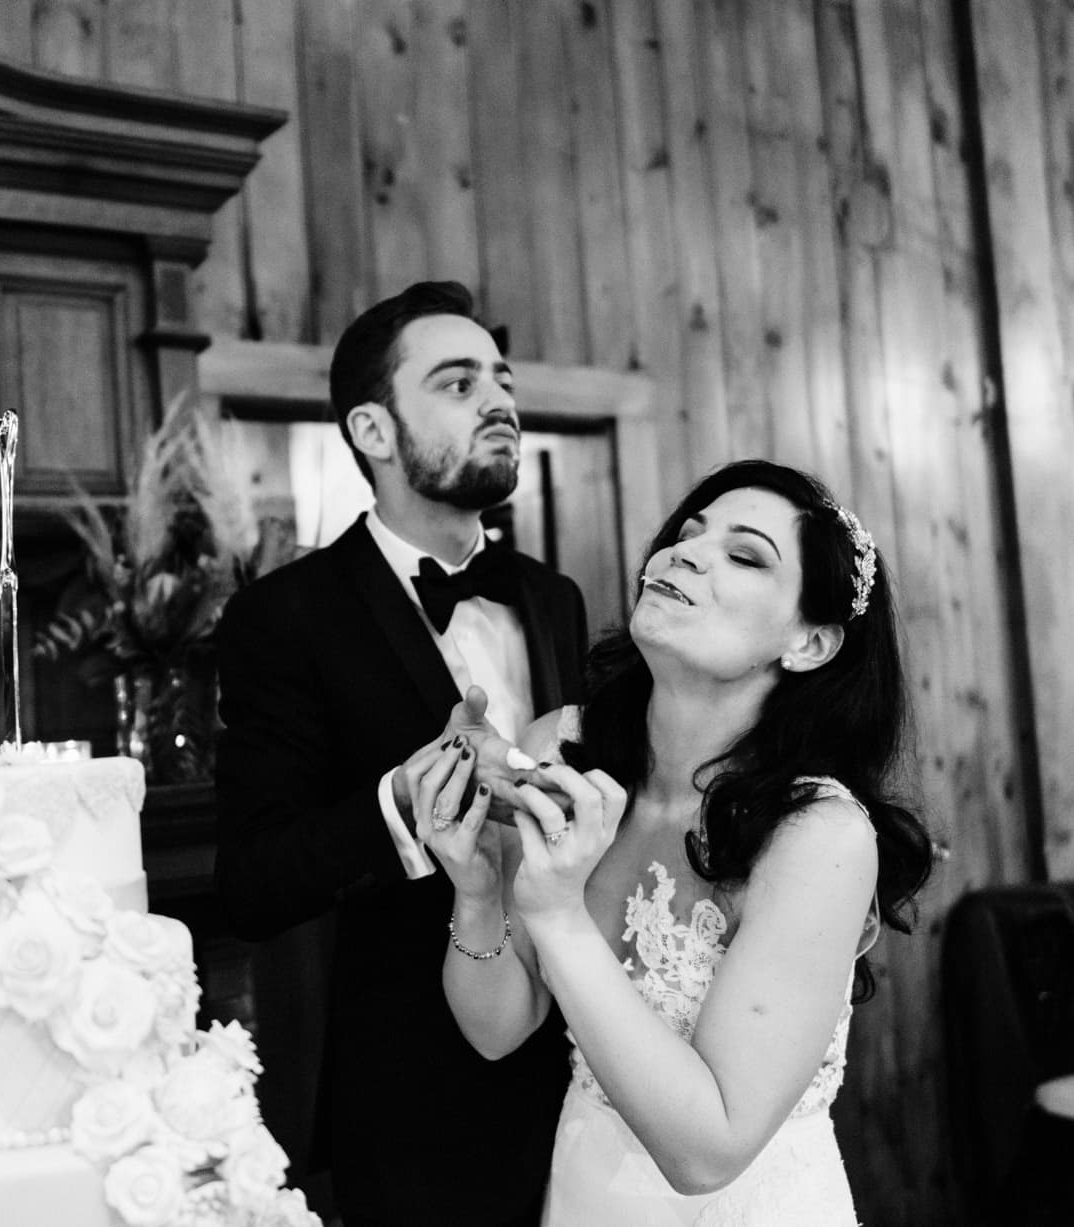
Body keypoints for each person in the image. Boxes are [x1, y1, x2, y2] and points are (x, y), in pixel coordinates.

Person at [409, 459, 935, 1225]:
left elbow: (707, 1150)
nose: (685, 552)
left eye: (745, 554)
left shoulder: (820, 835)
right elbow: (496, 1028)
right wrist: (480, 886)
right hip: (584, 1187)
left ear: (811, 643)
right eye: (688, 534)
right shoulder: (562, 749)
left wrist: (556, 912)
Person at [212, 281, 590, 1227]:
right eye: (458, 384)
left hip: (587, 1055)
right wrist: (402, 803)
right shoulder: (286, 616)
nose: (499, 402)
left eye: (501, 381)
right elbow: (250, 882)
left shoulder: (555, 598)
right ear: (375, 430)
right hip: (416, 1098)